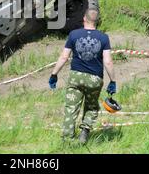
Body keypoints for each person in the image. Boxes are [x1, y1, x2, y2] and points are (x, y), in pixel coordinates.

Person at [48, 8, 116, 144]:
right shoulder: (103, 37)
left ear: (84, 18)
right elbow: (108, 61)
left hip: (76, 77)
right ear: (97, 21)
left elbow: (64, 57)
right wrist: (112, 80)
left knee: (71, 107)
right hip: (94, 79)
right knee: (91, 107)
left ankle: (67, 139)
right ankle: (85, 131)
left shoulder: (74, 35)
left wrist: (54, 74)